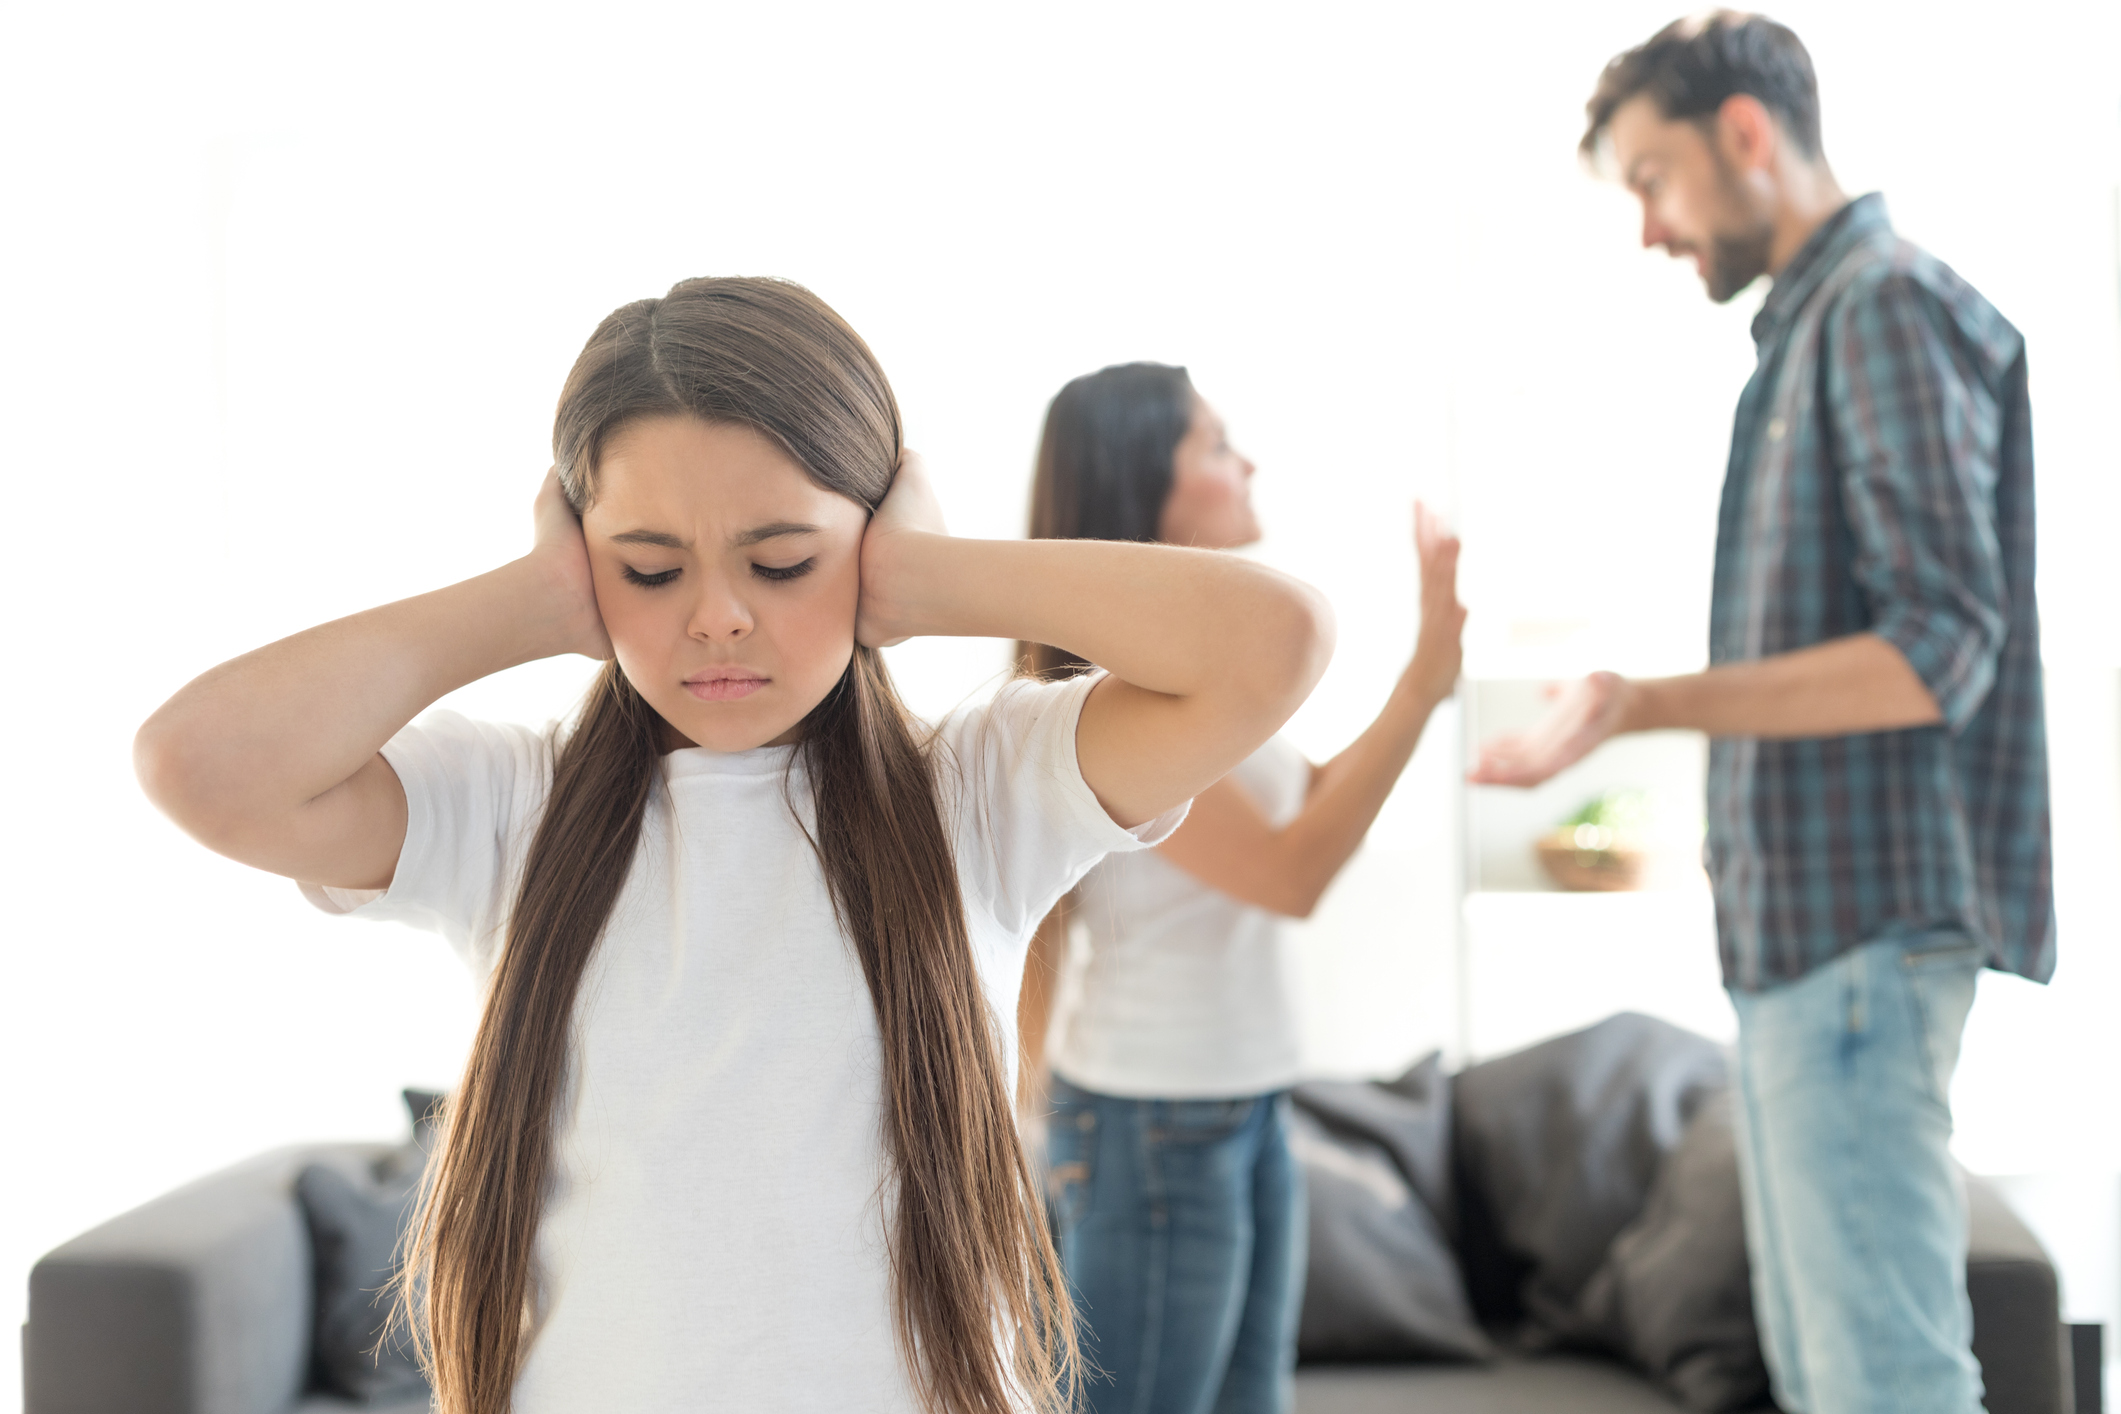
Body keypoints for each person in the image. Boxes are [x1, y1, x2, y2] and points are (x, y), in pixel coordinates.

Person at [132, 280, 1333, 1414]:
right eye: (648, 568)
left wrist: (935, 579)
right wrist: (528, 603)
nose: (718, 615)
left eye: (783, 562)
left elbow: (1275, 641)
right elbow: (200, 763)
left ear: (869, 544)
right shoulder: (509, 804)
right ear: (582, 558)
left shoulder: (979, 791)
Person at [1472, 15, 2052, 1413]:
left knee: (1880, 1379)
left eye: (1651, 178)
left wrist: (1645, 703)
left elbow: (1935, 647)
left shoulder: (1883, 308)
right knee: (1830, 1376)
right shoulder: (1808, 336)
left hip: (1858, 949)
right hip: (1809, 950)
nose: (1650, 229)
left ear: (1744, 131)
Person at [1015, 362, 1464, 1414]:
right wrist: (1421, 682)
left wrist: (1423, 680)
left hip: (1237, 1096)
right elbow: (1291, 870)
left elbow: (1301, 795)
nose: (1247, 460)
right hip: (1156, 1117)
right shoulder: (1104, 696)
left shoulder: (1196, 673)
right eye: (1216, 444)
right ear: (1144, 485)